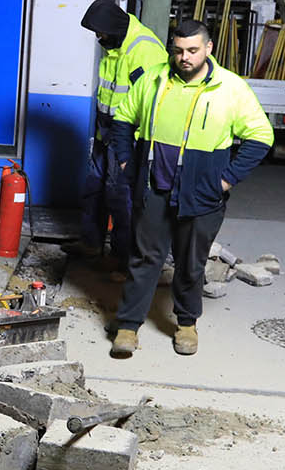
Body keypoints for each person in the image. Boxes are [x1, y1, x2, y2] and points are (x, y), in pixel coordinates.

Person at [107, 19, 273, 356]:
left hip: (203, 193)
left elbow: (261, 136)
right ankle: (127, 326)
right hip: (154, 187)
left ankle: (186, 324)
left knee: (191, 262)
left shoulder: (230, 87)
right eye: (179, 50)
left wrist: (225, 180)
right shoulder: (154, 78)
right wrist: (127, 162)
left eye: (193, 50)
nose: (184, 57)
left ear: (208, 48)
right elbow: (122, 118)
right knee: (144, 258)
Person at [71, 0, 167, 278]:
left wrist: (128, 144)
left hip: (127, 137)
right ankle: (91, 244)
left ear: (113, 28)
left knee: (120, 197)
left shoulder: (144, 50)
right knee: (94, 189)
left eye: (100, 33)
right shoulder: (114, 46)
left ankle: (124, 259)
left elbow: (152, 102)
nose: (99, 38)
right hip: (106, 132)